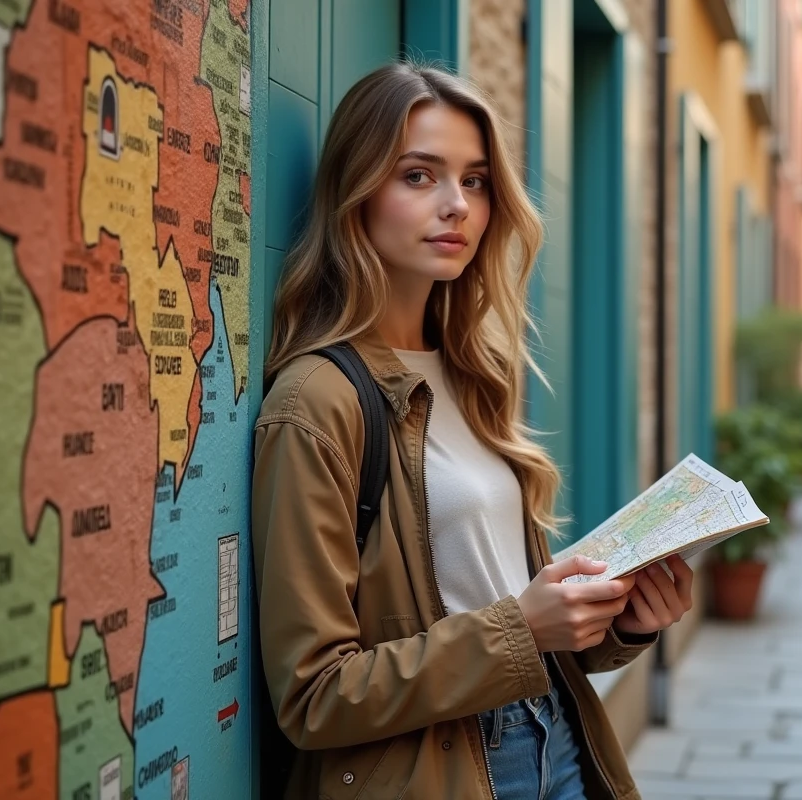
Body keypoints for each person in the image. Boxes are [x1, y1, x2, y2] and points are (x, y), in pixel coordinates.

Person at [252, 61, 694, 800]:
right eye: (419, 176)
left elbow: (507, 612)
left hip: (556, 738)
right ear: (356, 192)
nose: (456, 204)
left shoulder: (474, 374)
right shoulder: (316, 402)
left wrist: (623, 622)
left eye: (477, 180)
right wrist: (522, 629)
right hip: (438, 772)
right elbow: (314, 694)